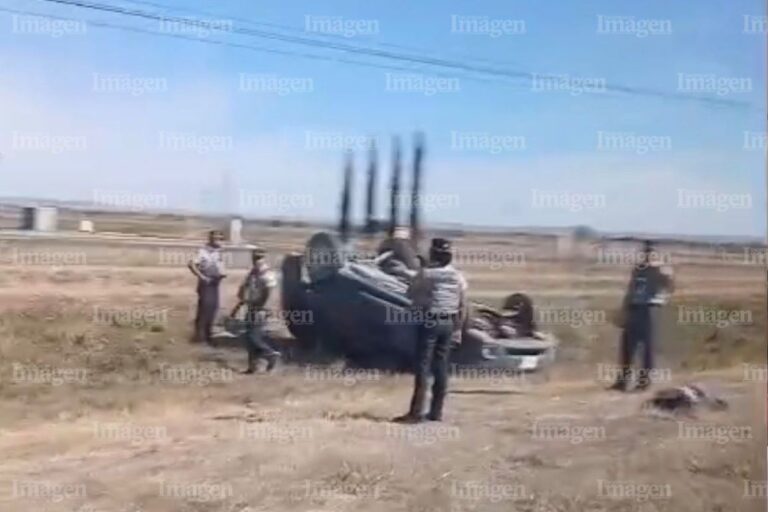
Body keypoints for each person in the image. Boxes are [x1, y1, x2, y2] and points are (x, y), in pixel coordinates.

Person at [394, 238, 467, 423]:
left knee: (423, 367)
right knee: (441, 368)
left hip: (429, 322)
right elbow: (462, 305)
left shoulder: (426, 274)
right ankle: (436, 412)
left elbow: (410, 294)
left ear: (433, 255)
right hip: (448, 323)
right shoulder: (458, 277)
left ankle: (416, 413)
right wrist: (458, 329)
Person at [609, 240, 674, 392]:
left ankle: (644, 382)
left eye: (650, 252)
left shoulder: (661, 270)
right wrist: (624, 310)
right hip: (634, 307)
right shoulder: (638, 269)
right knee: (627, 346)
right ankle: (622, 381)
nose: (646, 255)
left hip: (650, 308)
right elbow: (631, 289)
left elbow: (670, 285)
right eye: (645, 252)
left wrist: (662, 268)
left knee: (647, 347)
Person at [230, 246, 280, 373]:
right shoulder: (253, 273)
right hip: (251, 307)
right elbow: (247, 292)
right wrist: (237, 307)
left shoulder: (267, 273)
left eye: (259, 257)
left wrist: (262, 306)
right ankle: (253, 367)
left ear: (264, 257)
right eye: (255, 257)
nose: (257, 259)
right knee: (250, 339)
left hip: (260, 309)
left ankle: (270, 354)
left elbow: (269, 291)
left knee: (253, 336)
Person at [188, 230, 226, 344]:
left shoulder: (219, 251)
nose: (218, 240)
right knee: (204, 309)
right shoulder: (202, 251)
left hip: (215, 283)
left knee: (213, 309)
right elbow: (191, 264)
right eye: (216, 238)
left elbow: (219, 265)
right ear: (210, 239)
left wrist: (222, 273)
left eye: (220, 238)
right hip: (206, 284)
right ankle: (199, 337)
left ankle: (208, 335)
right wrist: (202, 277)